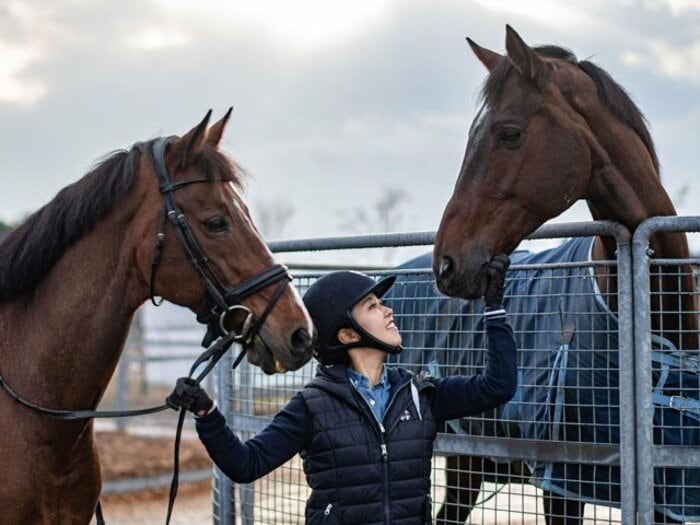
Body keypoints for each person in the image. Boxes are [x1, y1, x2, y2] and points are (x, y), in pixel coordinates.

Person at [166, 255, 517, 524]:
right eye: (373, 306)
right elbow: (246, 464)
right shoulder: (312, 406)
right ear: (347, 334)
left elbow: (497, 387)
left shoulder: (420, 394)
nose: (388, 311)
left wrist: (494, 308)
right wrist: (206, 413)